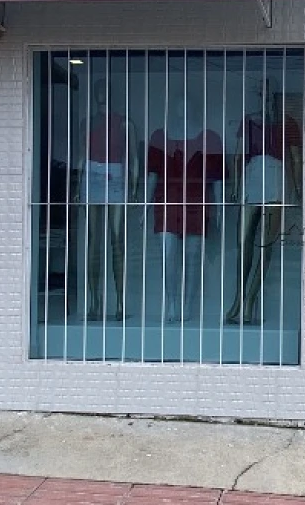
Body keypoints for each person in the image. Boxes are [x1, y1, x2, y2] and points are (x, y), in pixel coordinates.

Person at [226, 81, 302, 324]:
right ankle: (238, 297)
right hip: (252, 176)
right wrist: (236, 187)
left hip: (276, 179)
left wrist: (299, 191)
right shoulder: (249, 121)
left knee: (266, 246)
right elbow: (238, 155)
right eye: (262, 94)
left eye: (270, 94)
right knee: (243, 241)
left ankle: (250, 299)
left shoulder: (287, 122)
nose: (266, 98)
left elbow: (296, 160)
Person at [147, 100, 224, 323]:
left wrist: (218, 208)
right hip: (167, 201)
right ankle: (171, 302)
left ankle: (188, 305)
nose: (184, 106)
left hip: (195, 202)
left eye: (188, 101)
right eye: (180, 102)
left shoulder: (210, 138)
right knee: (168, 256)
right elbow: (153, 175)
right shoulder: (160, 137)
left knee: (192, 257)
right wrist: (146, 205)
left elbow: (216, 178)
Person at [78, 76, 138, 321]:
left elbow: (133, 157)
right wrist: (76, 185)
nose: (101, 94)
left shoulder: (125, 123)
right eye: (98, 90)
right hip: (91, 176)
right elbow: (80, 156)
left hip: (115, 177)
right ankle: (94, 301)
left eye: (105, 90)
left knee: (116, 240)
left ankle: (120, 302)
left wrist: (133, 189)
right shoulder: (87, 123)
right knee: (94, 241)